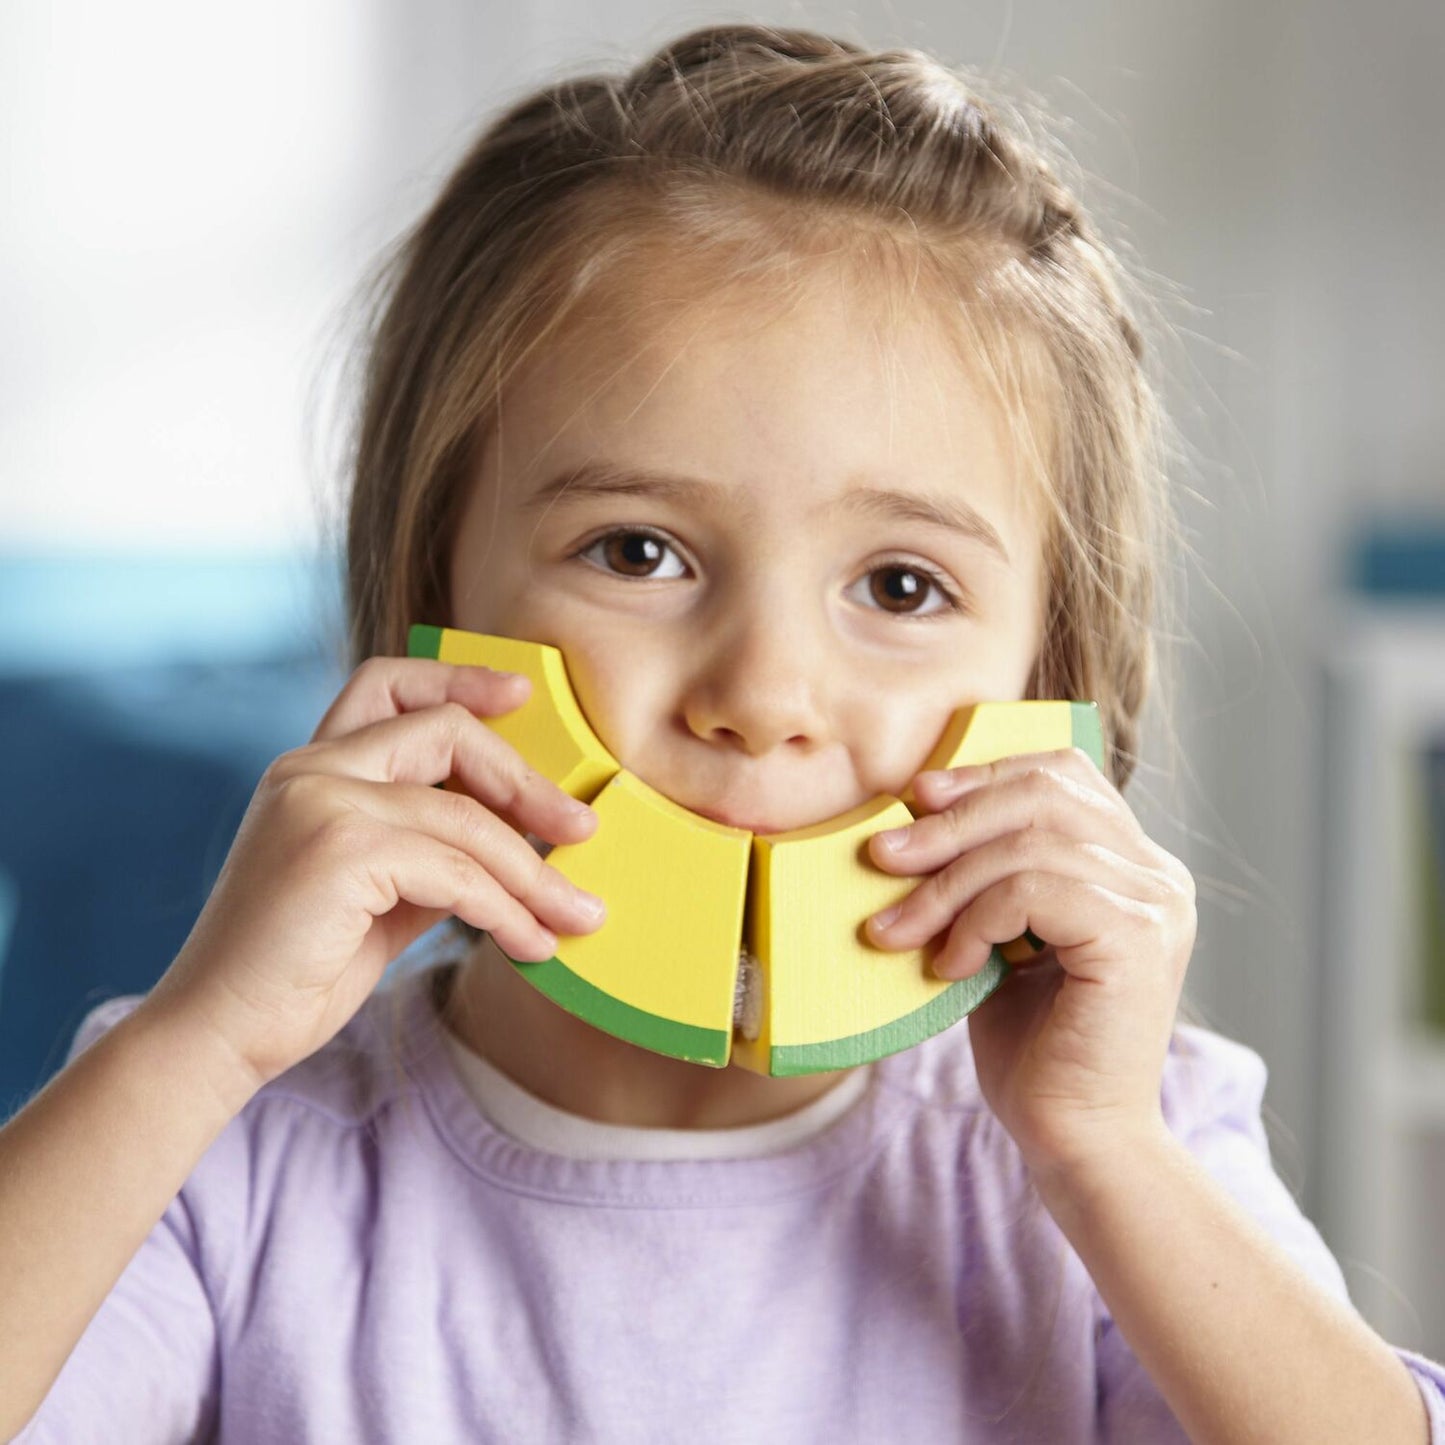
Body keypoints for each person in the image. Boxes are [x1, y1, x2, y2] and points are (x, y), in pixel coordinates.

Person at [3, 22, 1442, 1444]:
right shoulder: (222, 1150)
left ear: (1052, 683)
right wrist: (193, 1045)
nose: (760, 694)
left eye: (899, 584)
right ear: (425, 596)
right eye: (635, 552)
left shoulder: (1123, 1141)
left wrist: (1108, 1158)